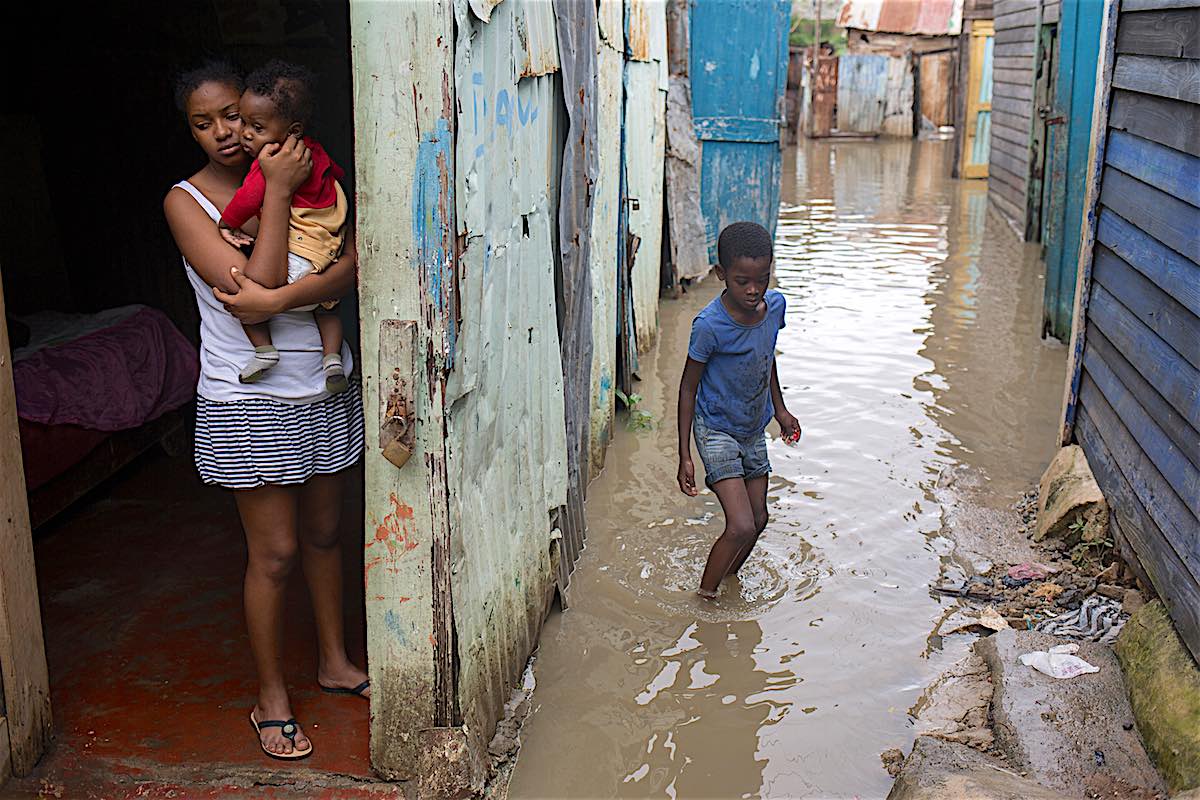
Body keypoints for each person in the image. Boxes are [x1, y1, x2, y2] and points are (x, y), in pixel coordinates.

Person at [163, 58, 368, 761]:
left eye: (234, 117)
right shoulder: (187, 202)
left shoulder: (310, 172)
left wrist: (278, 305)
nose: (225, 133)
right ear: (188, 130)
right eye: (204, 122)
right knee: (274, 553)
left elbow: (351, 263)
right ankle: (270, 699)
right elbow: (259, 275)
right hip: (249, 395)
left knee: (323, 536)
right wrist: (275, 191)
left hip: (321, 383)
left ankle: (335, 662)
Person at [676, 221, 801, 599]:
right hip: (716, 429)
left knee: (759, 520)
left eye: (761, 279)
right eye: (741, 280)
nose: (753, 290)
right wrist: (685, 455)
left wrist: (780, 411)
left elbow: (766, 357)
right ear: (721, 275)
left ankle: (729, 578)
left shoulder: (775, 306)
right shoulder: (710, 325)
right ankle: (706, 599)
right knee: (741, 525)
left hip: (752, 427)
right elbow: (687, 388)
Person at [218, 60, 349, 394]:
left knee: (242, 292)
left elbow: (248, 198)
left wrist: (227, 221)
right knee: (327, 310)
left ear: (292, 130)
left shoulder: (272, 161)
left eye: (256, 126)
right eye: (243, 121)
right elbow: (337, 175)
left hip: (294, 263)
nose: (244, 133)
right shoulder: (315, 154)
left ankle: (264, 350)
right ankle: (332, 357)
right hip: (324, 260)